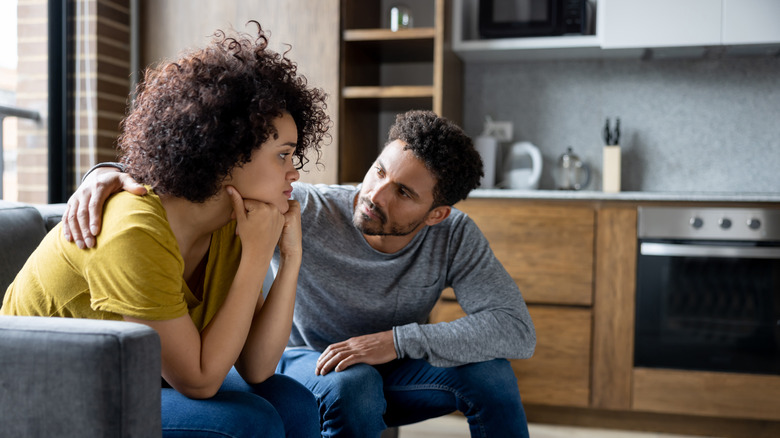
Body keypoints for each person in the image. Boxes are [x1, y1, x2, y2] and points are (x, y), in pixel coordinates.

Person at [65, 110, 537, 438]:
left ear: (437, 214)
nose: (375, 194)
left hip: (394, 368)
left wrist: (393, 342)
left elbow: (515, 330)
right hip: (304, 362)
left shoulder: (455, 235)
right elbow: (203, 175)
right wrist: (107, 172)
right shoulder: (308, 208)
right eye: (377, 172)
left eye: (404, 193)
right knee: (355, 386)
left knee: (492, 376)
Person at [1, 22, 330, 438]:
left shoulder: (232, 223)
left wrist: (289, 258)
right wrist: (255, 256)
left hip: (137, 378)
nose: (294, 171)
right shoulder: (132, 229)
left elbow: (257, 366)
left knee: (295, 404)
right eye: (283, 155)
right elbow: (199, 380)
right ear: (225, 151)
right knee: (250, 421)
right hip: (48, 392)